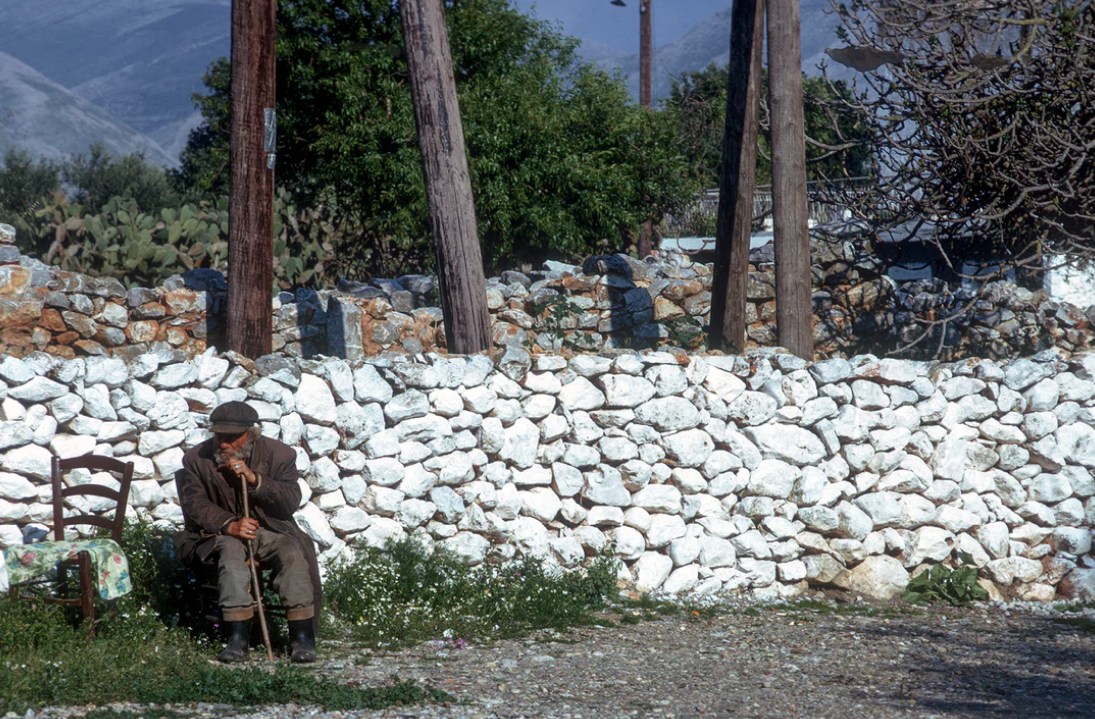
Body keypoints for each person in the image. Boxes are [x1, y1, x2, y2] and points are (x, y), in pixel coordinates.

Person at [174, 400, 322, 663]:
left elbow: (290, 500)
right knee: (231, 554)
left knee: (291, 552)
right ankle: (237, 638)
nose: (223, 444)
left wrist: (256, 480)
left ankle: (302, 639)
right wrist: (229, 524)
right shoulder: (196, 459)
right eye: (220, 436)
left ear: (251, 434)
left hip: (269, 529)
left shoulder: (281, 455)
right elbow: (194, 504)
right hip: (219, 534)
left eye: (232, 438)